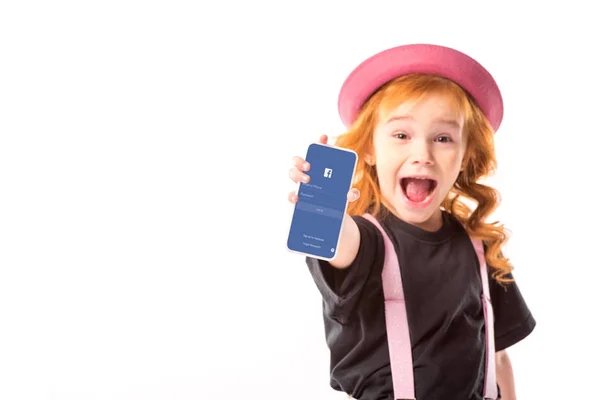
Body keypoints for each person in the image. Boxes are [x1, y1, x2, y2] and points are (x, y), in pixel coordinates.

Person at [287, 44, 536, 400]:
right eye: (401, 135)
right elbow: (339, 243)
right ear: (369, 150)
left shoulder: (478, 246)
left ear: (465, 156)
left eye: (443, 138)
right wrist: (325, 206)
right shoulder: (367, 242)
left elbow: (497, 356)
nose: (423, 155)